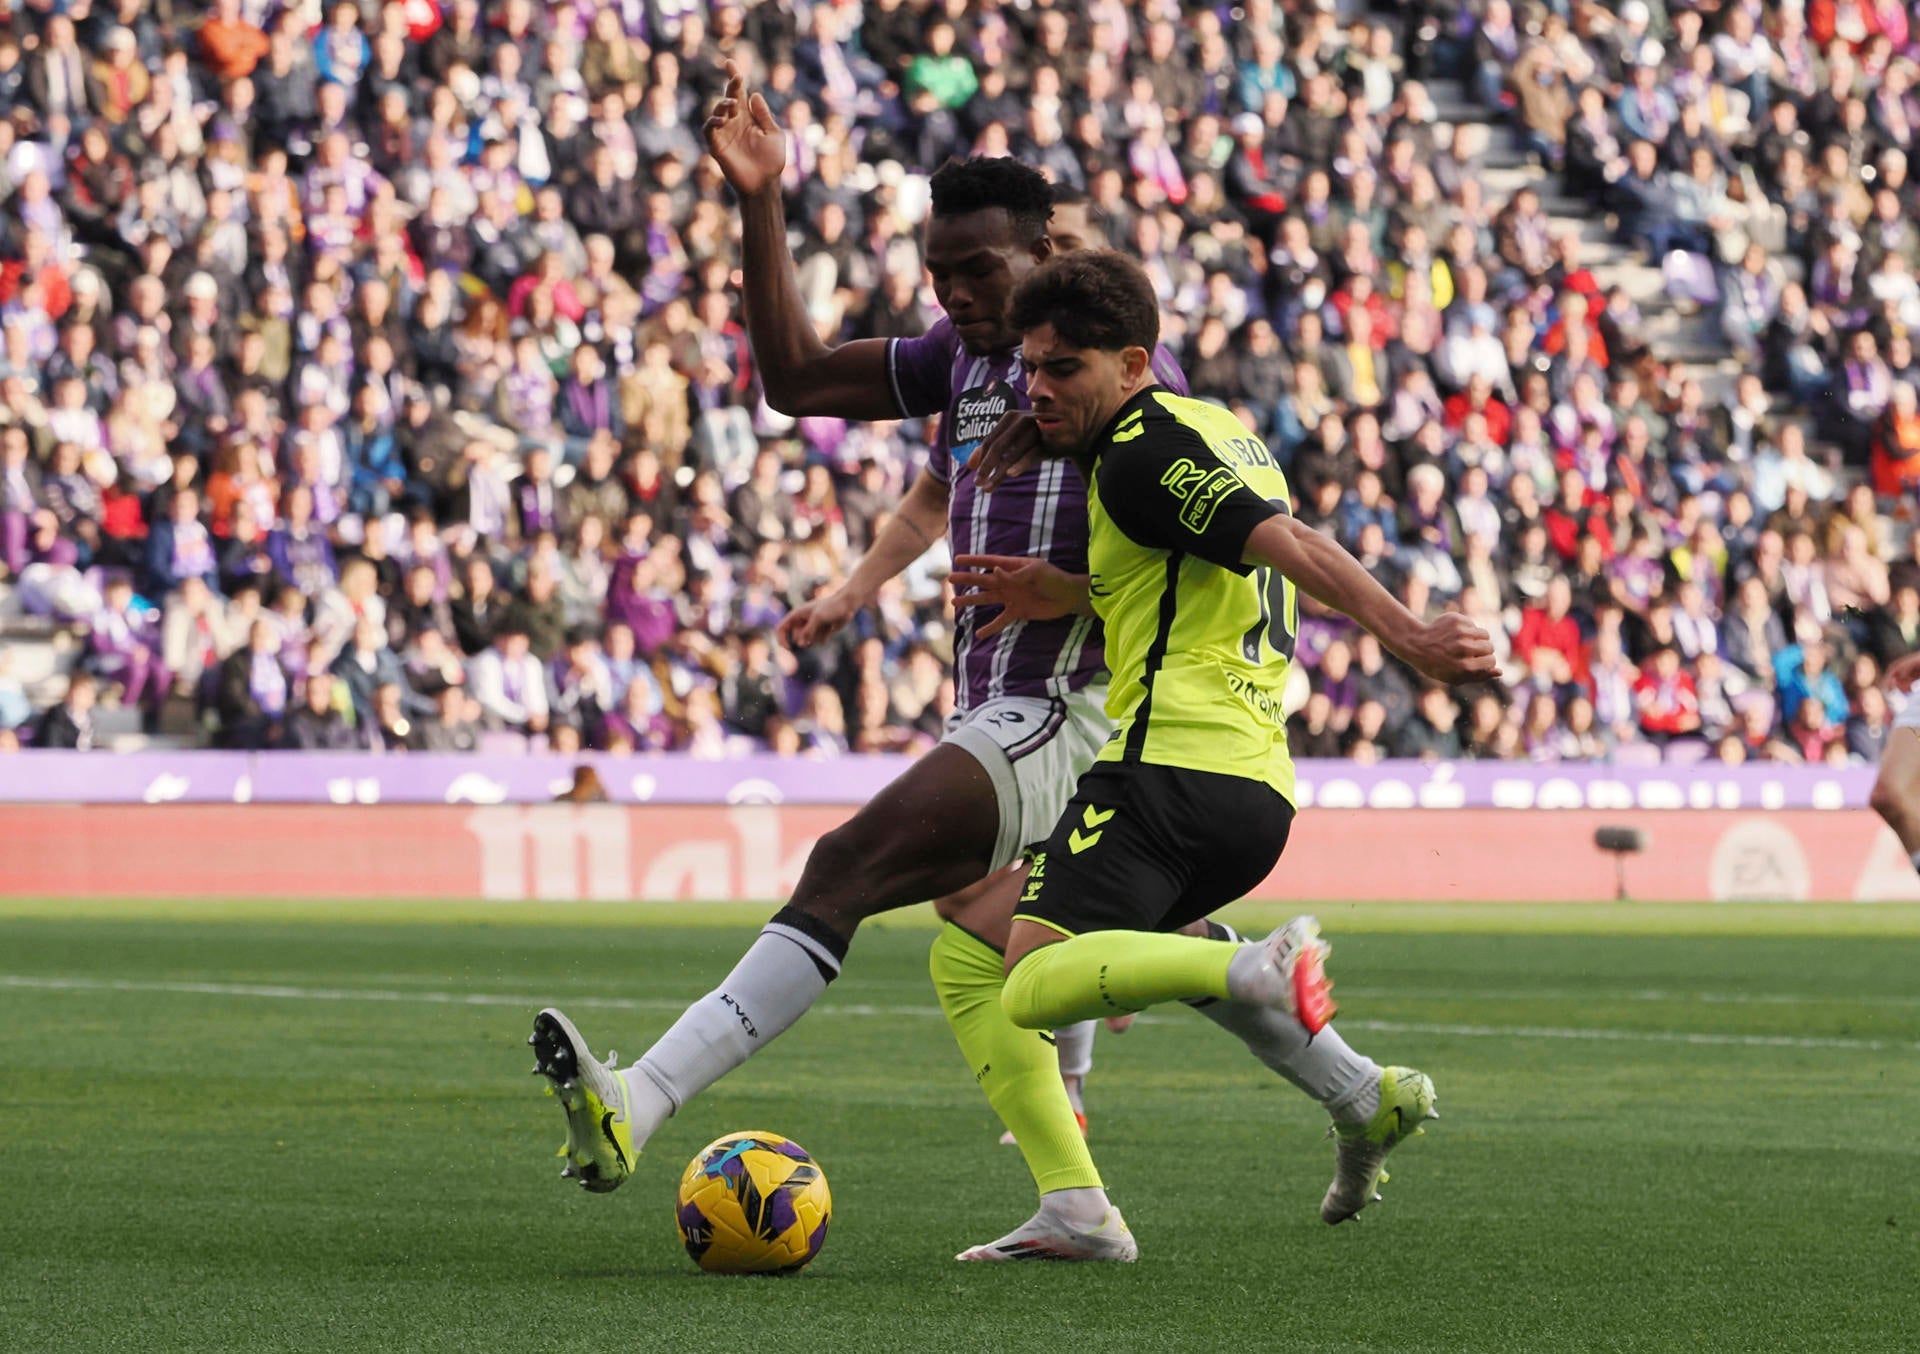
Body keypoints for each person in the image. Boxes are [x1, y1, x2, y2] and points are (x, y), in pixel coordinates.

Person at [529, 65, 1191, 1264]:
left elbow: (1209, 564)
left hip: (1073, 706)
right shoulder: (961, 363)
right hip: (1001, 703)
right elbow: (791, 381)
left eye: (978, 272)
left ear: (1043, 248)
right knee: (985, 918)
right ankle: (1273, 1055)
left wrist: (1070, 592)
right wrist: (762, 200)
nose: (957, 296)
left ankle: (639, 1102)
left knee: (845, 867)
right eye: (939, 276)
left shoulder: (1126, 383)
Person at [953, 251, 1492, 1222]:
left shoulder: (1143, 450)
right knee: (1123, 934)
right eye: (1029, 367)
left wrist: (1413, 638)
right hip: (1254, 794)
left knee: (1028, 978)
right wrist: (1070, 591)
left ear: (1132, 362)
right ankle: (1362, 1094)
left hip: (1165, 772)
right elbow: (1206, 573)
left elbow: (1295, 547)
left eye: (1062, 368)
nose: (1036, 389)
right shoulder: (1223, 433)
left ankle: (1251, 972)